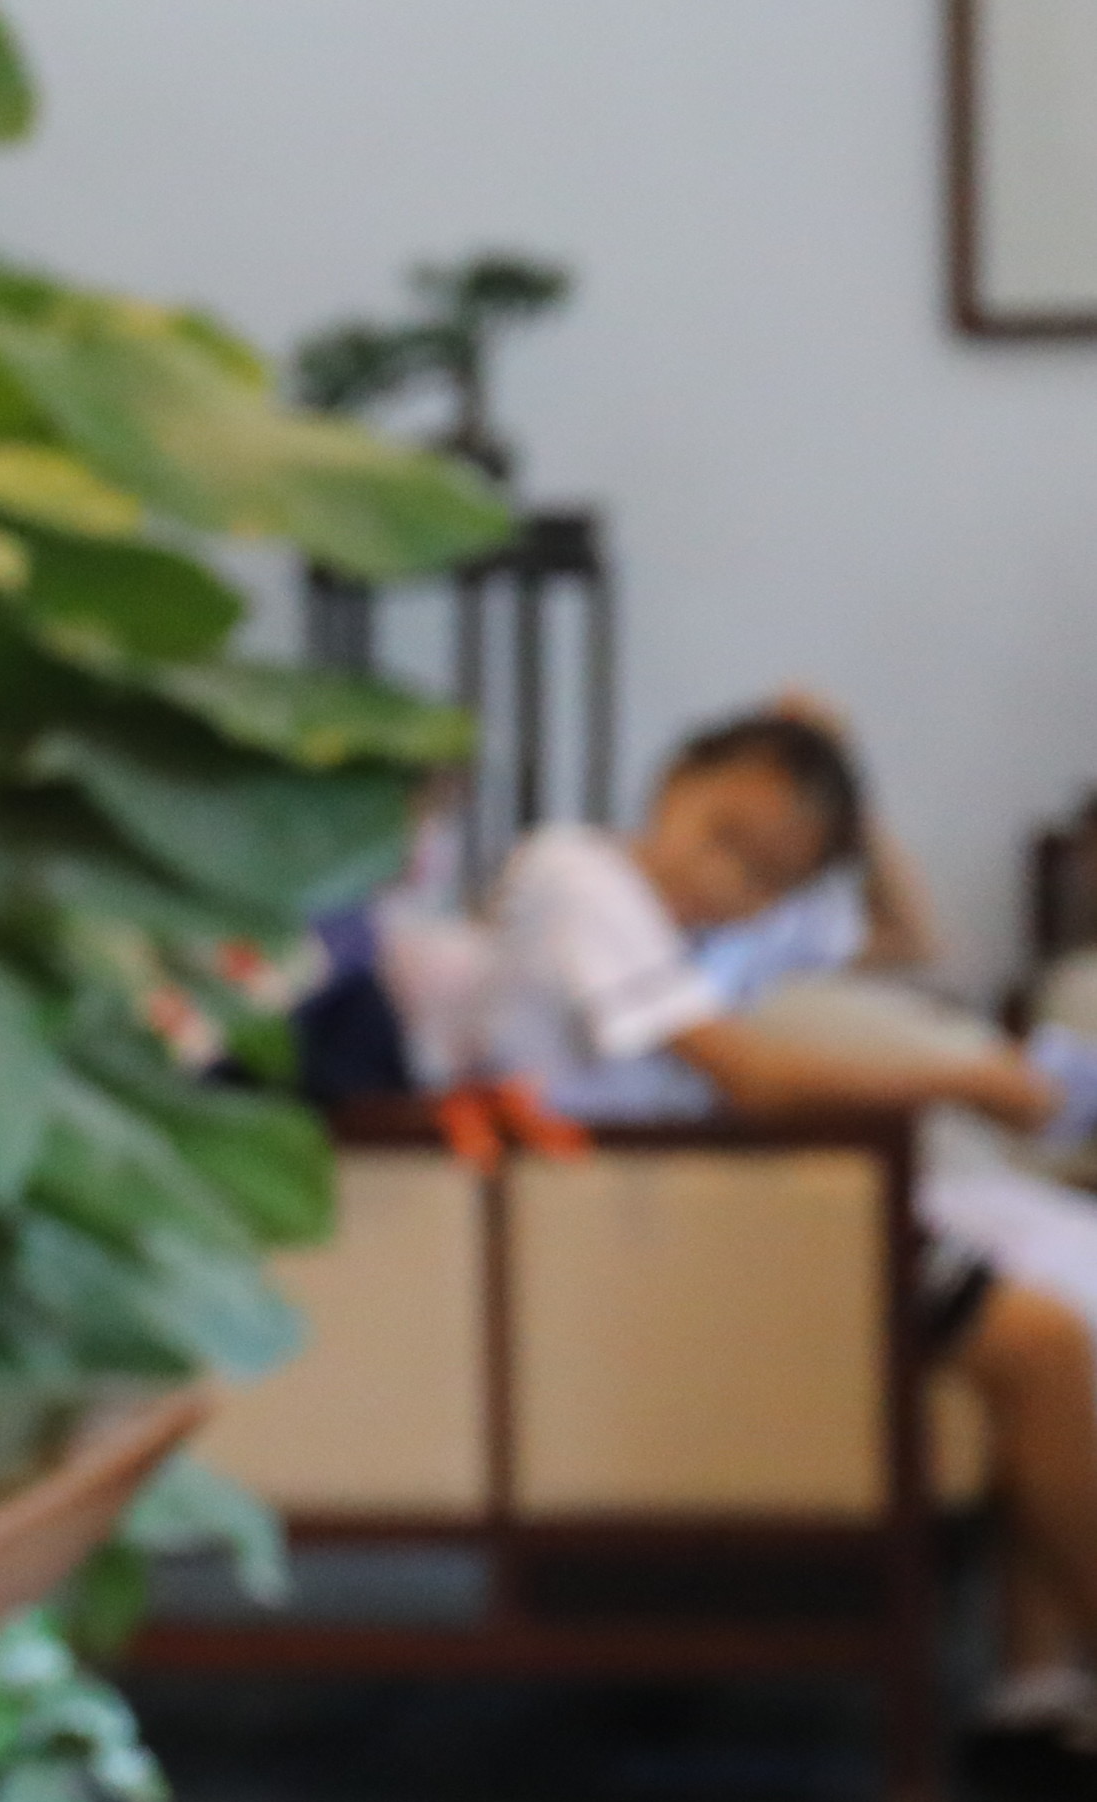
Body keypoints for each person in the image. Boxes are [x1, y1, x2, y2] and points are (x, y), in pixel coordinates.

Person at [445, 704, 1097, 1735]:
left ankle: (1037, 1686)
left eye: (764, 876)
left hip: (716, 1221)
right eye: (719, 835)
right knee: (1042, 1343)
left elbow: (908, 936)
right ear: (672, 784)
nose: (723, 879)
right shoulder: (576, 874)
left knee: (1055, 1321)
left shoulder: (725, 932)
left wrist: (852, 781)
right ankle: (1042, 1678)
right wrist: (968, 1081)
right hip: (644, 1235)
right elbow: (748, 1078)